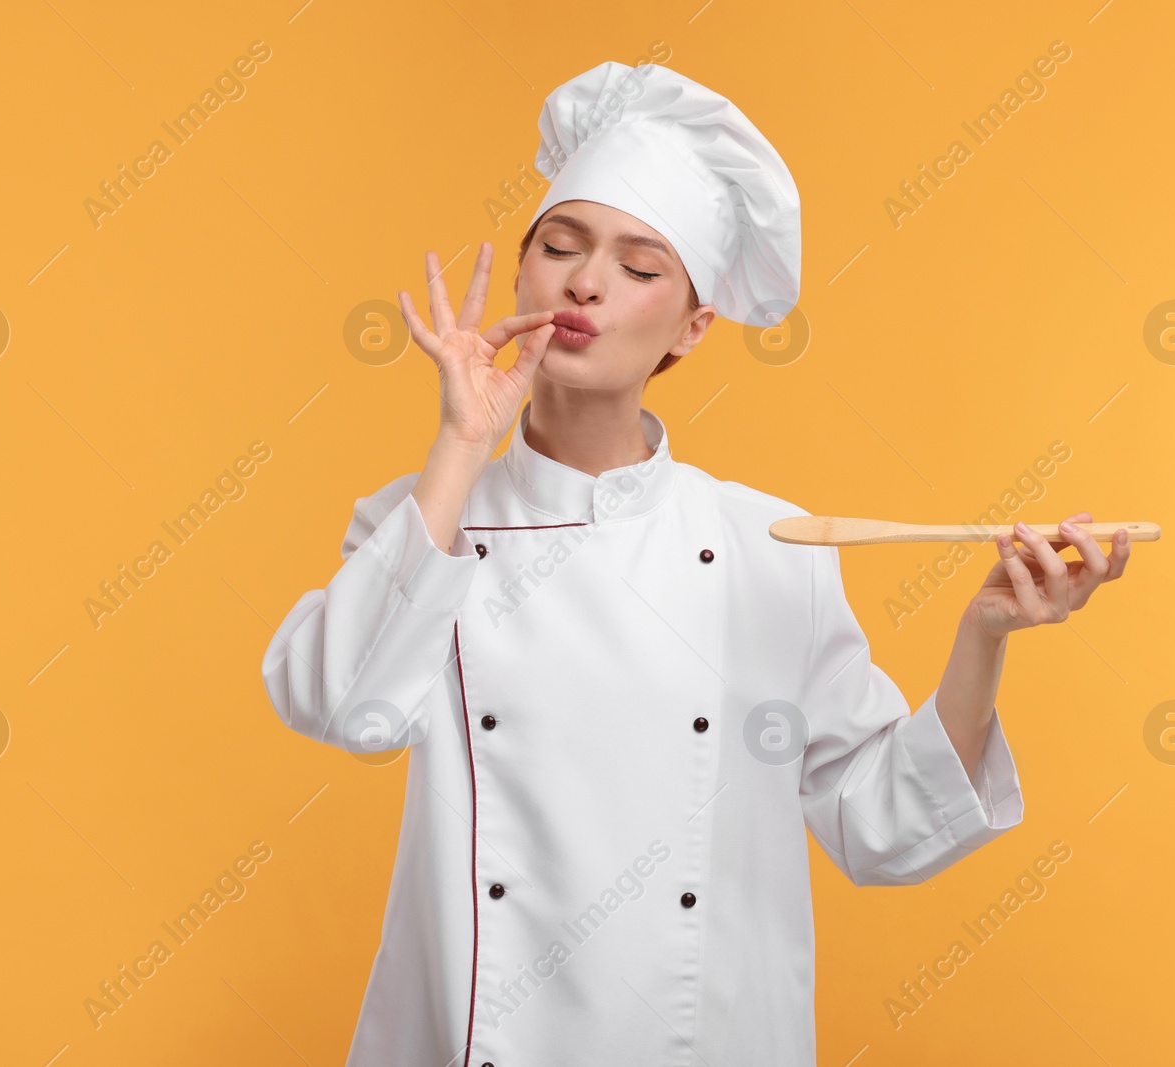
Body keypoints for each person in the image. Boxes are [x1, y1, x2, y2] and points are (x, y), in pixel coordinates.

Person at [261, 60, 1131, 1067]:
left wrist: (983, 636)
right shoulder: (427, 520)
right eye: (560, 245)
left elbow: (880, 823)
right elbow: (341, 706)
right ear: (521, 274)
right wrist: (460, 442)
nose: (587, 281)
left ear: (693, 325)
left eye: (641, 267)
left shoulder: (774, 547)